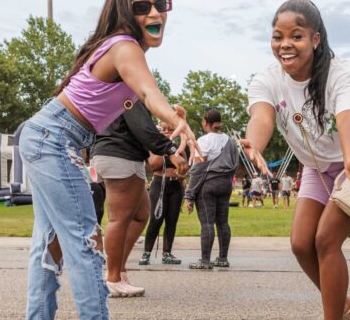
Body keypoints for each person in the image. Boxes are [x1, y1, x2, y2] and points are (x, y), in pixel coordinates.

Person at [18, 0, 199, 320]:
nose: (155, 12)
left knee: (49, 247)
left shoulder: (118, 50)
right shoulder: (124, 46)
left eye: (161, 3)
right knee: (85, 243)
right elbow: (151, 93)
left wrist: (171, 117)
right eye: (143, 6)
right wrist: (174, 118)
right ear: (125, 9)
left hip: (48, 135)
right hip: (55, 138)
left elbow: (140, 101)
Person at [243, 0, 350, 320]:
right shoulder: (267, 79)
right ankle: (342, 304)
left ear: (316, 39)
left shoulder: (343, 73)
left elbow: (347, 119)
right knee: (299, 243)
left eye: (296, 36)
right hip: (315, 166)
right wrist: (254, 144)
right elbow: (261, 116)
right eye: (277, 37)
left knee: (325, 240)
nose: (285, 44)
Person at [90, 100, 186, 293]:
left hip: (111, 153)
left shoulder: (113, 95)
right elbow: (143, 128)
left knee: (141, 213)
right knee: (119, 218)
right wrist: (171, 150)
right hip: (121, 155)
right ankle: (112, 278)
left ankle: (119, 270)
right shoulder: (129, 94)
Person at [184, 108, 239, 269]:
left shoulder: (204, 140)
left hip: (208, 185)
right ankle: (223, 258)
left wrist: (189, 195)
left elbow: (198, 168)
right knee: (223, 222)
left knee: (207, 223)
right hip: (225, 184)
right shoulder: (230, 141)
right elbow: (235, 165)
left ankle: (205, 261)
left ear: (204, 122)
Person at [141, 121, 187, 266]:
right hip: (159, 184)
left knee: (171, 221)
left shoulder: (179, 147)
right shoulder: (155, 146)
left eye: (170, 129)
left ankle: (167, 253)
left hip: (176, 186)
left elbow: (184, 165)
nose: (167, 131)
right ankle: (146, 253)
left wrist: (182, 174)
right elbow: (154, 164)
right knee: (156, 219)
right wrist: (166, 146)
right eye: (164, 129)